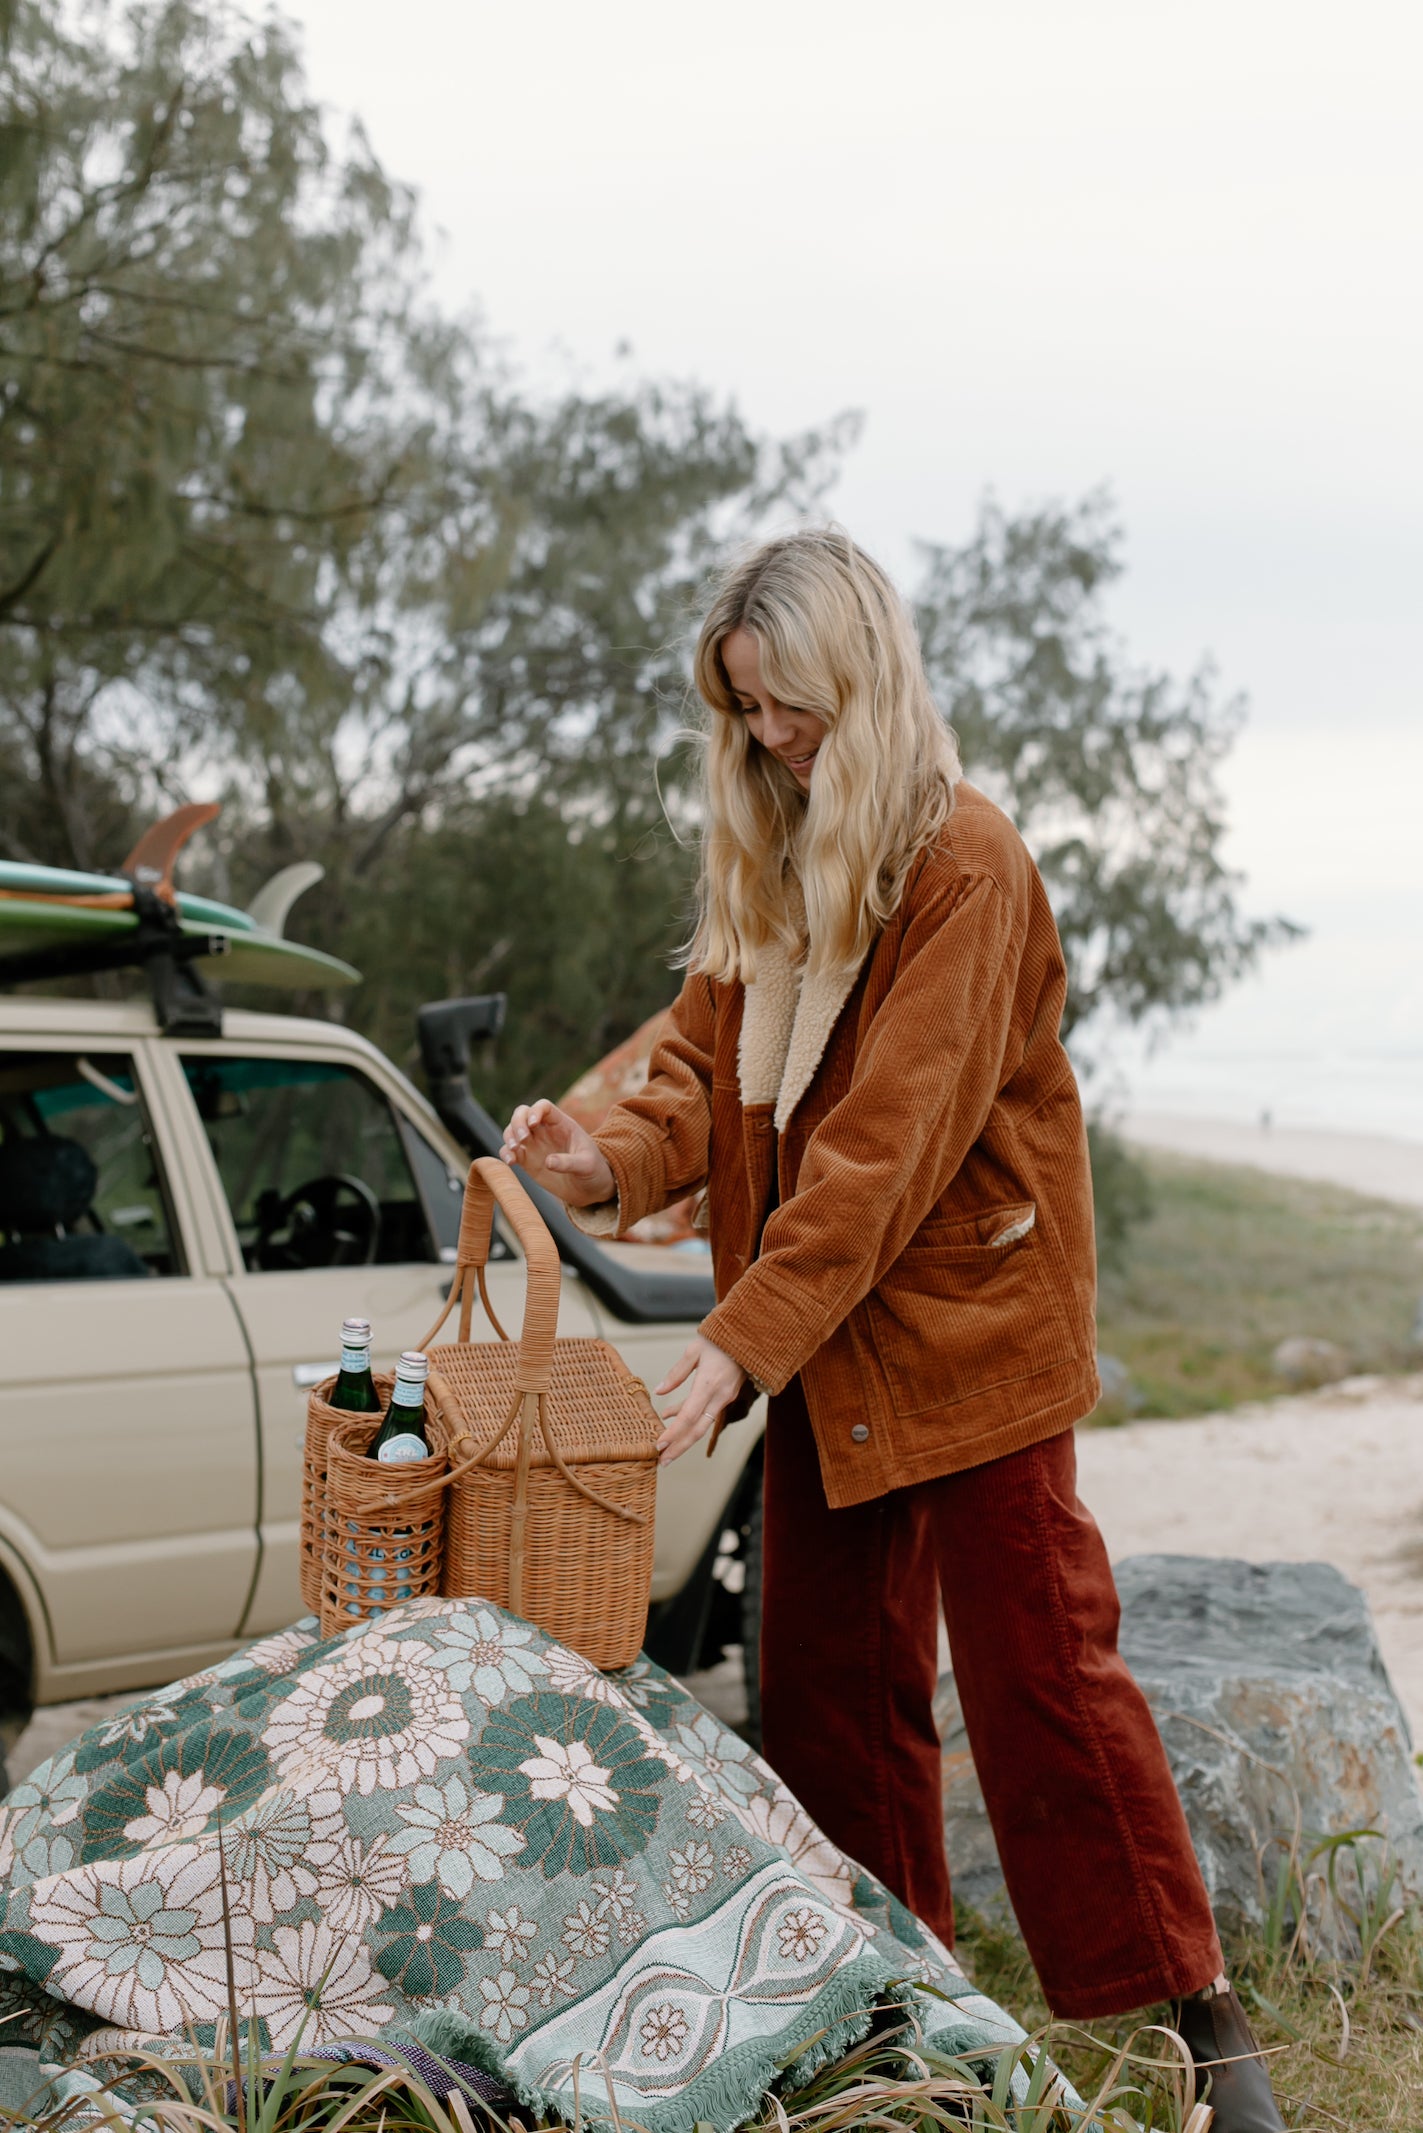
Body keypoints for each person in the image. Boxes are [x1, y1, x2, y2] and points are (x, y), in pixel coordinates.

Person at [501, 527, 1284, 2132]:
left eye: (787, 707)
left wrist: (733, 1339)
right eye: (743, 714)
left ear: (859, 679)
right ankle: (911, 2033)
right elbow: (697, 1075)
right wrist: (603, 1158)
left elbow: (883, 1150)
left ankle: (1210, 2037)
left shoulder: (965, 862)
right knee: (831, 1703)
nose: (769, 739)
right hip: (826, 1349)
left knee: (1043, 1685)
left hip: (973, 1337)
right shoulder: (781, 858)